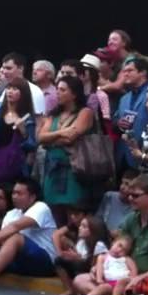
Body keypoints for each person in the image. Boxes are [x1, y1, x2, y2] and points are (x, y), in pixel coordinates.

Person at [37, 76, 95, 213]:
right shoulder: (53, 115)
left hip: (73, 170)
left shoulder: (85, 112)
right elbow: (40, 137)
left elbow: (71, 138)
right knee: (52, 209)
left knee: (73, 210)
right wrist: (62, 132)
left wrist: (50, 141)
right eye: (57, 89)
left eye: (62, 90)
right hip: (52, 170)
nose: (57, 92)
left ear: (74, 94)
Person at [73, 234, 138, 295]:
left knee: (121, 282)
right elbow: (99, 269)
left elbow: (134, 275)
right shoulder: (103, 257)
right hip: (110, 283)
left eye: (123, 250)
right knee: (102, 288)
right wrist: (99, 279)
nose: (119, 250)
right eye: (119, 245)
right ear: (113, 243)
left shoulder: (127, 260)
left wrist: (130, 281)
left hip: (123, 284)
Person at [53, 214, 109, 295]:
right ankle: (70, 290)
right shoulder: (82, 241)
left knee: (78, 265)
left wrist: (78, 258)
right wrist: (71, 255)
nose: (80, 228)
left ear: (93, 230)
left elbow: (95, 265)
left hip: (97, 272)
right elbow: (79, 257)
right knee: (59, 261)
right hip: (85, 266)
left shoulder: (99, 245)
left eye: (84, 226)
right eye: (81, 225)